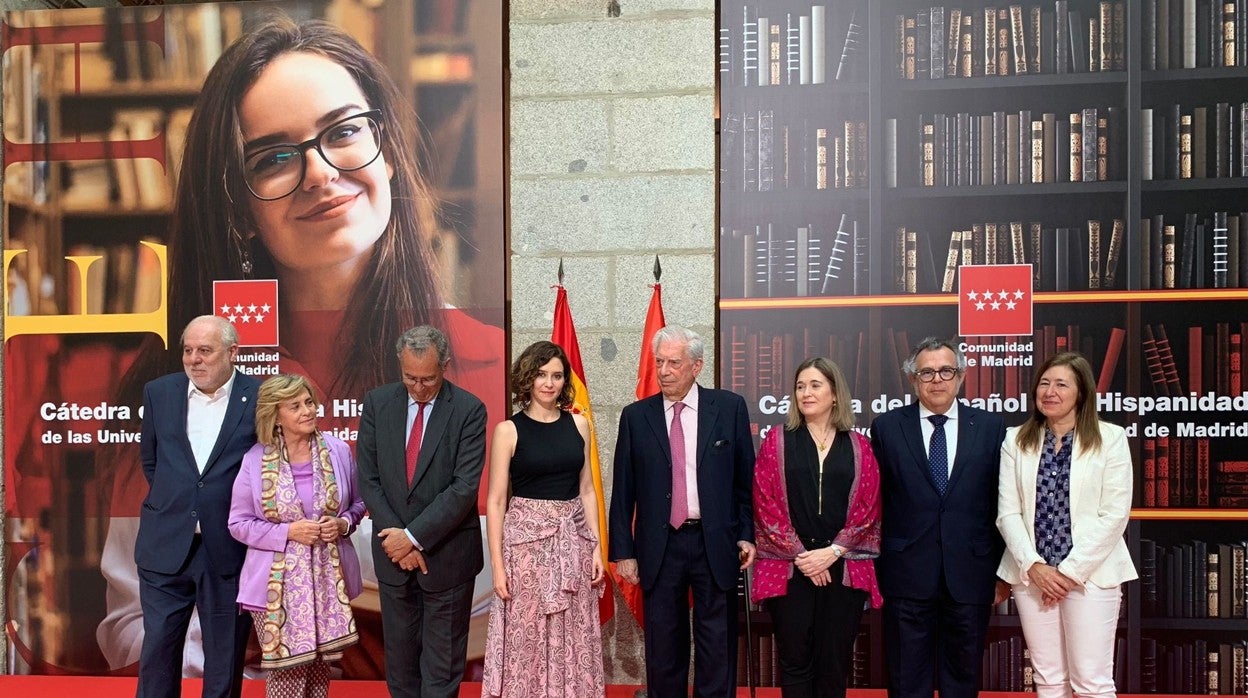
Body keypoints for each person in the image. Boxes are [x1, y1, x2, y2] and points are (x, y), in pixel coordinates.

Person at [97, 16, 505, 676]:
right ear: (237, 206)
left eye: (343, 131)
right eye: (273, 157)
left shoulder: (500, 368)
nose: (319, 173)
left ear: (388, 147)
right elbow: (133, 621)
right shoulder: (181, 388)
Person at [609, 324, 756, 698]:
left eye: (674, 362)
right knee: (664, 650)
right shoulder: (636, 416)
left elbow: (744, 481)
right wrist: (623, 551)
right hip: (661, 546)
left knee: (716, 647)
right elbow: (623, 490)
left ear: (697, 366)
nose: (664, 371)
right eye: (659, 362)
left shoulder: (728, 408)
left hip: (715, 543)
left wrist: (746, 533)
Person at [869, 337, 1008, 698]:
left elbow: (1002, 503)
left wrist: (1001, 571)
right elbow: (875, 501)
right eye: (926, 372)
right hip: (905, 573)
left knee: (962, 680)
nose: (937, 380)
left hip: (971, 573)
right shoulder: (886, 427)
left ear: (960, 376)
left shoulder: (992, 427)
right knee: (906, 680)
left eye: (946, 370)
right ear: (913, 380)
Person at [356, 325, 488, 698]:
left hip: (447, 559)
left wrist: (413, 538)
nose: (418, 387)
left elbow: (463, 487)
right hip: (394, 561)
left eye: (428, 379)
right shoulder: (378, 404)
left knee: (442, 669)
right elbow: (369, 478)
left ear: (445, 366)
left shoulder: (468, 410)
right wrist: (398, 540)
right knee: (399, 667)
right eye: (410, 378)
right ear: (400, 365)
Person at [996, 352, 1136, 698]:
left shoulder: (1110, 438)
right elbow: (1007, 513)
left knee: (1092, 681)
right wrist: (1036, 567)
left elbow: (1115, 514)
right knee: (1048, 680)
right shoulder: (1016, 439)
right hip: (1032, 576)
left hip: (1090, 577)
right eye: (1044, 383)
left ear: (1082, 393)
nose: (1050, 392)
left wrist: (1068, 573)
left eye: (1061, 384)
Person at [134, 315, 257, 698]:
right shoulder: (159, 392)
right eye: (188, 350)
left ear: (232, 352)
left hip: (227, 548)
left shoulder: (259, 396)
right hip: (164, 542)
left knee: (223, 655)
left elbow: (265, 468)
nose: (194, 359)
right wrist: (182, 505)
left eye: (205, 350)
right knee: (157, 651)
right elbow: (152, 461)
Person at [227, 374, 367, 698]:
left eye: (309, 402)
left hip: (329, 582)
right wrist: (288, 532)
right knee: (288, 678)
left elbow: (358, 504)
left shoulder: (339, 450)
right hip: (272, 590)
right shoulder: (255, 460)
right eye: (296, 406)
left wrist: (343, 523)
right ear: (276, 415)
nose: (308, 410)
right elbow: (238, 523)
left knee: (319, 674)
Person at [752, 357, 883, 698]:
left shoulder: (859, 446)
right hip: (790, 567)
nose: (805, 393)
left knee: (834, 663)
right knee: (795, 662)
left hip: (842, 568)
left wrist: (832, 552)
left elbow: (868, 508)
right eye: (800, 387)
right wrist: (804, 557)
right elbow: (765, 505)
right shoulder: (777, 440)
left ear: (835, 394)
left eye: (815, 385)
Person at [482, 340, 605, 697]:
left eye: (556, 375)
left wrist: (595, 547)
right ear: (527, 378)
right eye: (540, 374)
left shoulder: (579, 425)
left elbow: (586, 490)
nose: (548, 383)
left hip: (574, 546)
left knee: (574, 632)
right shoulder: (508, 430)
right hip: (525, 551)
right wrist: (499, 565)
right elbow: (496, 500)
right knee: (528, 636)